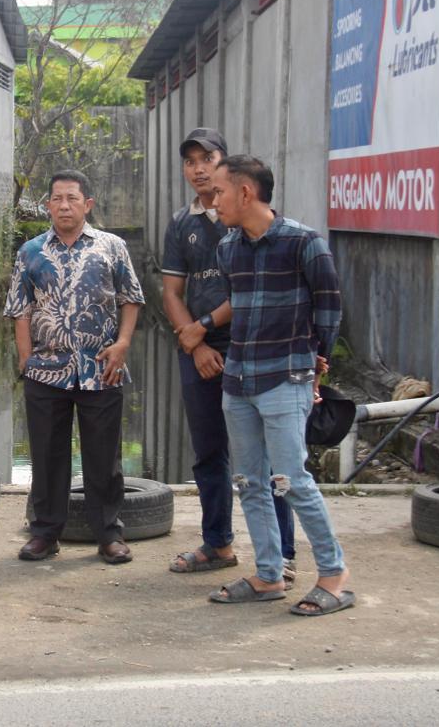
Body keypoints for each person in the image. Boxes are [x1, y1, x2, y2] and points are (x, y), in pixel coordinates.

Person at [206, 154, 354, 616]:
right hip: (239, 381)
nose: (214, 203)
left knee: (292, 481)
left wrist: (313, 369)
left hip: (285, 380)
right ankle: (269, 575)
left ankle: (334, 575)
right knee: (250, 482)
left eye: (219, 192)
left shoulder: (305, 243)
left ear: (246, 193)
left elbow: (329, 311)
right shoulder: (228, 248)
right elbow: (240, 307)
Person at [160, 129, 295, 580]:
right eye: (190, 161)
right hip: (197, 347)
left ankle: (284, 554)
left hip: (252, 347)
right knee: (208, 453)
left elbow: (251, 292)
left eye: (207, 158)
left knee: (270, 457)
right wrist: (192, 340)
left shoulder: (253, 221)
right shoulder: (182, 223)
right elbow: (172, 290)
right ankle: (218, 543)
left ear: (225, 166)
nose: (198, 168)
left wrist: (203, 328)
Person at [5, 170, 145, 565]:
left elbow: (130, 298)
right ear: (47, 205)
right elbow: (19, 309)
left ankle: (109, 534)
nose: (64, 206)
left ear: (88, 204)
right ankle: (45, 533)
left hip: (102, 368)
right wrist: (25, 357)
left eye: (72, 198)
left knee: (103, 457)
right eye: (56, 199)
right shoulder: (30, 251)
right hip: (46, 370)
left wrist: (122, 344)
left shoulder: (112, 247)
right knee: (47, 456)